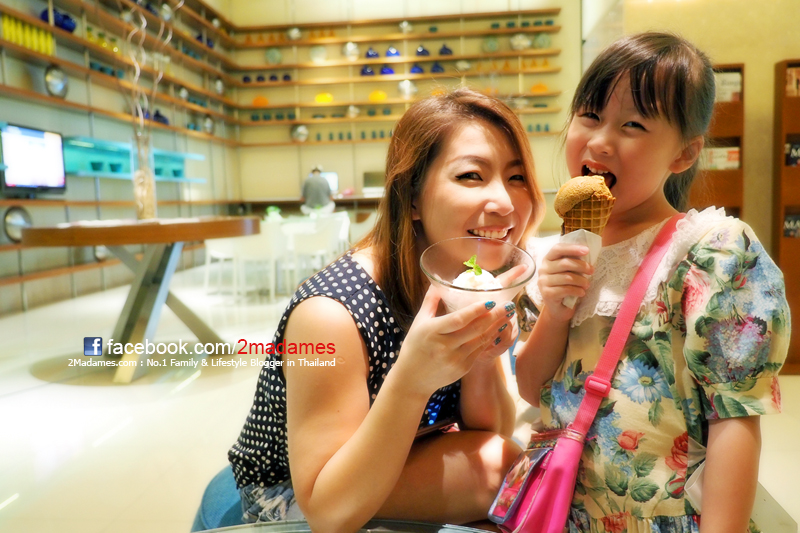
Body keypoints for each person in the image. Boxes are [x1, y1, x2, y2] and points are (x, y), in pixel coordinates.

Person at [228, 87, 546, 531]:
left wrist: (481, 344)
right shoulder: (331, 313)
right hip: (292, 493)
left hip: (403, 452)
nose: (506, 203)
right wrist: (412, 379)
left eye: (516, 177)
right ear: (411, 198)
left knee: (506, 471)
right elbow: (324, 508)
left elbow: (491, 428)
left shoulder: (461, 278)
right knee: (500, 470)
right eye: (472, 176)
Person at [514, 33, 790, 533]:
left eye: (633, 125)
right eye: (589, 115)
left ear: (683, 154)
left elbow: (736, 415)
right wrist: (555, 310)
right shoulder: (554, 254)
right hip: (566, 515)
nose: (600, 141)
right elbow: (534, 390)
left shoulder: (710, 251)